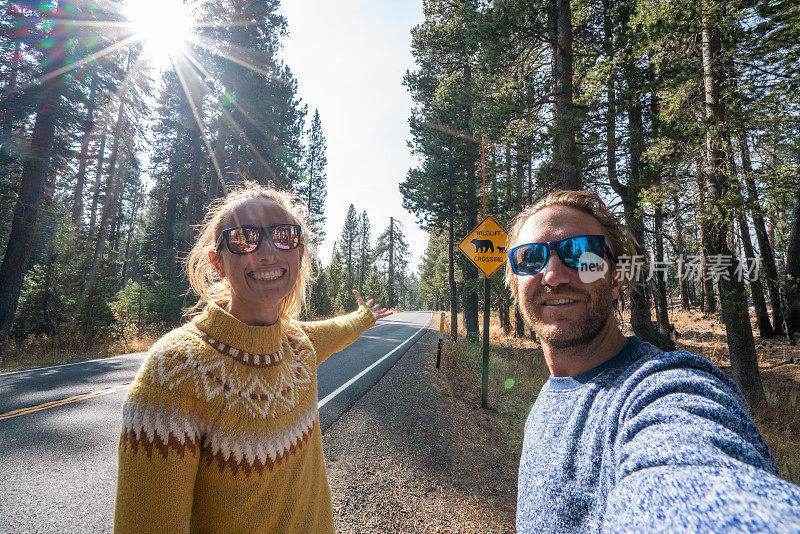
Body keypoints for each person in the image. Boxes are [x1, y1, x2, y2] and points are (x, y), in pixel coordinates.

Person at [504, 190, 800, 533]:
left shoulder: (662, 387)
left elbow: (690, 472)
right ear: (516, 283)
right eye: (529, 258)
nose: (553, 275)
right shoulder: (546, 399)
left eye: (580, 253)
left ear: (615, 280)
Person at [113, 181, 391, 533]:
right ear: (218, 263)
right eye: (244, 239)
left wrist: (365, 316)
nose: (267, 252)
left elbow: (339, 330)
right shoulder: (174, 371)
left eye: (284, 236)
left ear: (299, 254)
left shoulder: (298, 345)